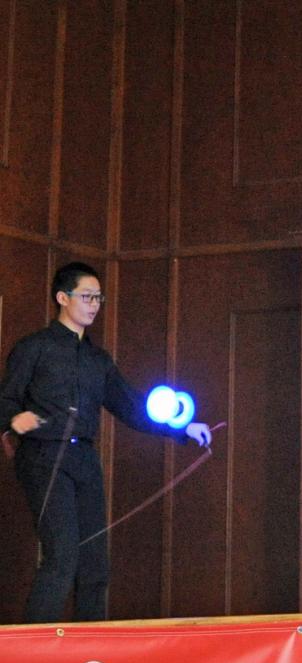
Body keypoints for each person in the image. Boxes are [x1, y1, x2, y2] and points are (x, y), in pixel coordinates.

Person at [0, 262, 212, 623]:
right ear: (62, 298)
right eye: (86, 296)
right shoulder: (33, 348)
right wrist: (12, 420)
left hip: (84, 457)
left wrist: (184, 429)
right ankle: (29, 651)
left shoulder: (99, 361)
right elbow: (6, 399)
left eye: (98, 297)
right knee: (62, 556)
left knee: (95, 561)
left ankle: (91, 648)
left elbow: (130, 407)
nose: (94, 304)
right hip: (43, 456)